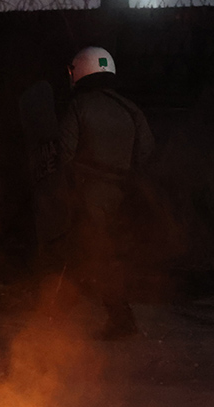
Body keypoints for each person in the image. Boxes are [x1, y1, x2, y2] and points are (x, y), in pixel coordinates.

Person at [58, 46, 154, 340]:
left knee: (95, 255)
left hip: (90, 195)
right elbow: (147, 151)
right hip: (124, 194)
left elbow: (63, 153)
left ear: (81, 70)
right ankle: (63, 308)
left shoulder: (78, 107)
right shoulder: (129, 108)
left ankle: (120, 320)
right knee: (106, 254)